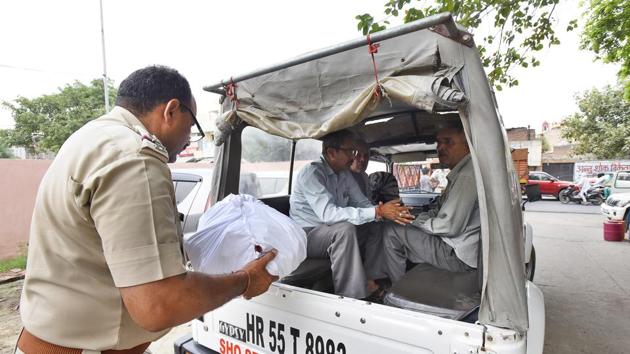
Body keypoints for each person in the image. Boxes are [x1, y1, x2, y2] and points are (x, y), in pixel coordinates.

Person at [16, 66, 277, 354]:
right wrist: (245, 280)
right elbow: (157, 304)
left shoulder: (92, 138)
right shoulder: (136, 159)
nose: (189, 138)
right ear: (171, 111)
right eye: (192, 126)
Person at [289, 129, 414, 299]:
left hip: (329, 229)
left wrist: (384, 213)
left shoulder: (344, 174)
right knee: (345, 230)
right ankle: (351, 297)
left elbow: (362, 203)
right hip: (307, 235)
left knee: (378, 225)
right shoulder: (313, 174)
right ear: (331, 153)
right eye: (351, 152)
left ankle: (371, 279)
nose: (354, 157)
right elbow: (329, 214)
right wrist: (377, 211)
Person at [378, 121, 480, 283]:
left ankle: (397, 287)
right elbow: (439, 212)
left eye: (448, 142)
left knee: (391, 231)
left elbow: (448, 226)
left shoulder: (466, 177)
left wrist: (415, 220)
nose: (440, 147)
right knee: (402, 228)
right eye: (439, 142)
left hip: (458, 255)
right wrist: (413, 217)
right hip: (455, 247)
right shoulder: (461, 174)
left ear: (467, 146)